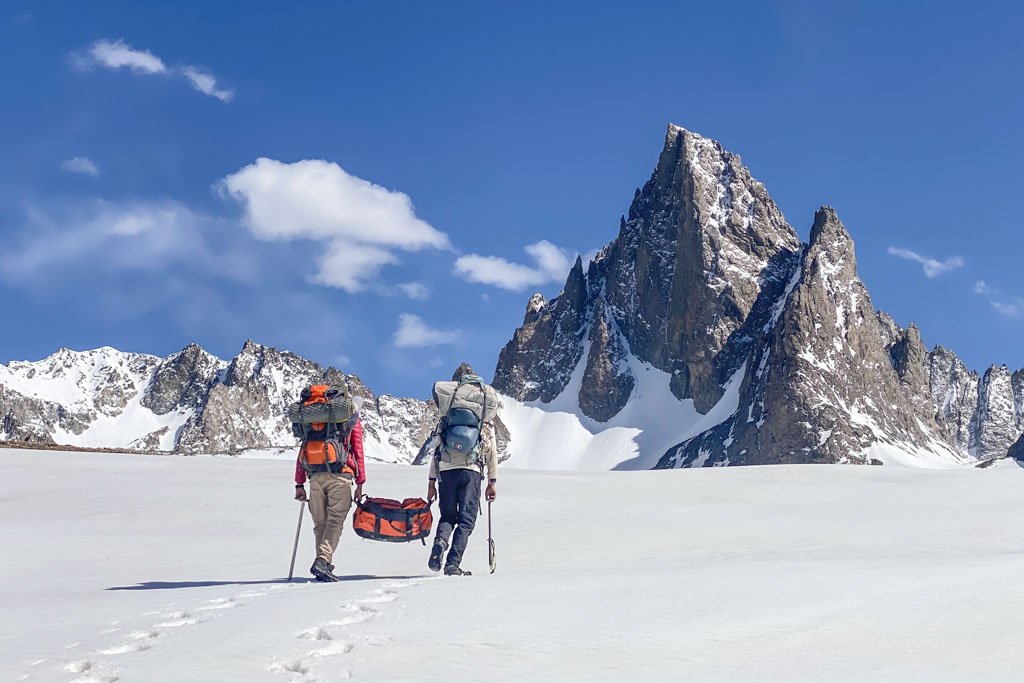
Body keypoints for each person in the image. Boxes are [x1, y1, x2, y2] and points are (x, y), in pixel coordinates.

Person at [426, 363, 498, 576]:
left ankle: (440, 541)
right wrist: (492, 482)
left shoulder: (448, 416)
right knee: (466, 520)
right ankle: (452, 564)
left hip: (446, 470)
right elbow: (491, 451)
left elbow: (437, 447)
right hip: (470, 471)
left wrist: (431, 481)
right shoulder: (483, 418)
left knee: (448, 516)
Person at [294, 406, 366, 583]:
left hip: (315, 476)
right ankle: (322, 560)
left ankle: (323, 566)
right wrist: (360, 482)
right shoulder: (350, 417)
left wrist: (299, 483)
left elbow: (302, 450)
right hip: (341, 475)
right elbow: (358, 450)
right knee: (335, 521)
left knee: (320, 524)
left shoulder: (313, 420)